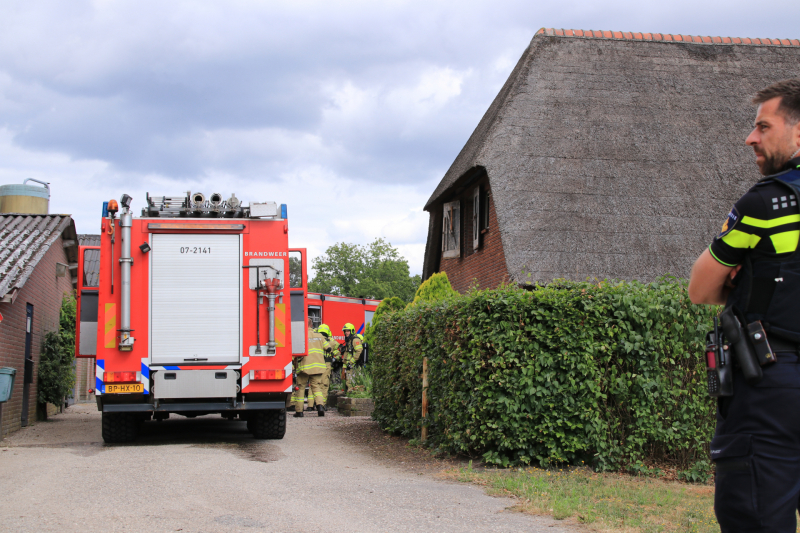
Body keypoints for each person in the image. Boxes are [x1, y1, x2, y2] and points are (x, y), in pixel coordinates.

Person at [688, 78, 800, 532]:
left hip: (772, 383)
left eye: (763, 127)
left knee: (755, 513)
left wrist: (741, 282)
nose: (750, 138)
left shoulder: (765, 204)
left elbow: (700, 287)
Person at [292, 317, 328, 417]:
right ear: (311, 325)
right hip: (317, 367)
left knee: (301, 388)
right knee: (317, 388)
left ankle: (299, 411)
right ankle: (320, 406)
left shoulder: (300, 336)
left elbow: (294, 351)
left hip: (304, 367)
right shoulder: (319, 336)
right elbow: (328, 348)